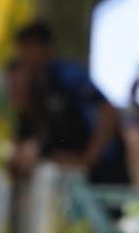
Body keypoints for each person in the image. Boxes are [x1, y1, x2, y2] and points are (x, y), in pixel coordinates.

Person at [13, 20, 126, 185]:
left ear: (46, 49)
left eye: (30, 48)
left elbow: (108, 111)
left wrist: (87, 159)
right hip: (64, 167)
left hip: (102, 169)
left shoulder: (68, 76)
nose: (24, 55)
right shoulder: (33, 87)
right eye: (22, 49)